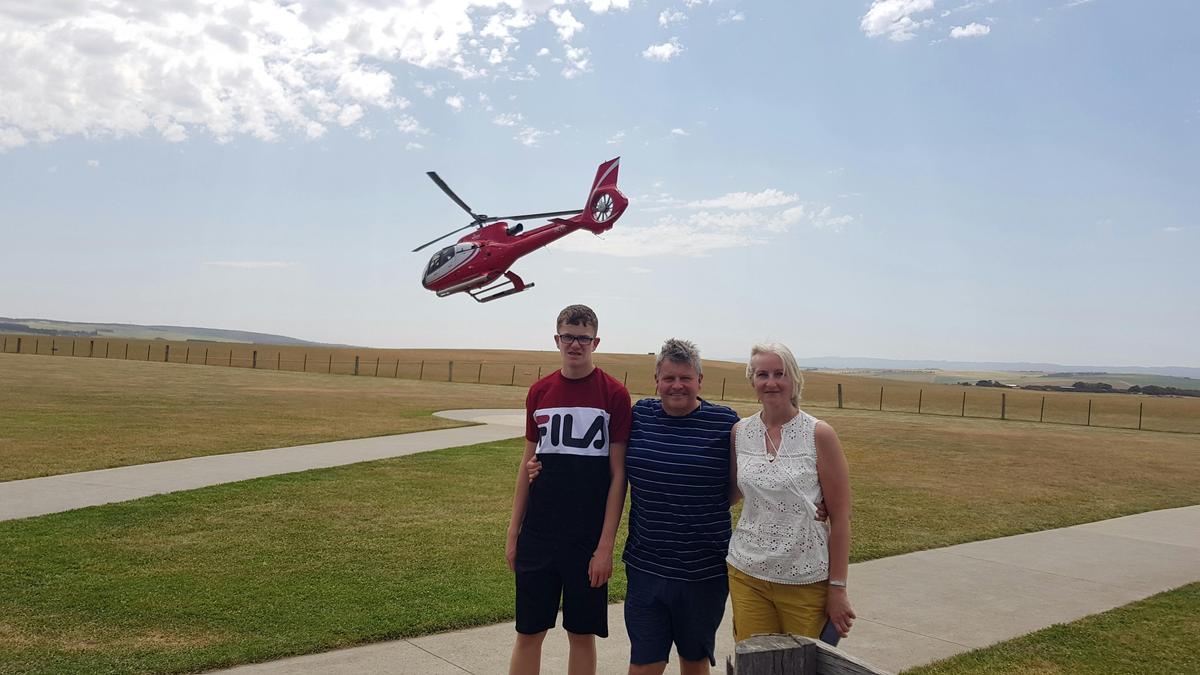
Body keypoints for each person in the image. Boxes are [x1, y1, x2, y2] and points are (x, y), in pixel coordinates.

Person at [507, 304, 631, 675]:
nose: (575, 344)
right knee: (529, 631)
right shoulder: (540, 392)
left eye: (583, 338)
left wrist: (605, 546)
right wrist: (514, 531)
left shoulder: (614, 394)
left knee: (581, 633)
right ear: (556, 339)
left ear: (595, 341)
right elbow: (527, 463)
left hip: (585, 538)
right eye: (568, 337)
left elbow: (618, 475)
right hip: (539, 534)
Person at [621, 339, 740, 675]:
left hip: (703, 572)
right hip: (646, 568)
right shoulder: (640, 414)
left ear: (700, 381)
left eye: (685, 378)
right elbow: (604, 463)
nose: (677, 385)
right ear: (656, 380)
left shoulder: (725, 423)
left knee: (694, 661)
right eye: (669, 378)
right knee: (644, 664)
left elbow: (739, 486)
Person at [726, 342, 856, 643]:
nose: (771, 382)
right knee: (756, 663)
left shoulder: (818, 434)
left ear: (794, 379)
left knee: (803, 664)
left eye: (780, 373)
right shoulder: (740, 432)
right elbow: (733, 493)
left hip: (804, 578)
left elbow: (841, 519)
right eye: (762, 374)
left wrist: (838, 588)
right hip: (747, 573)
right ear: (752, 381)